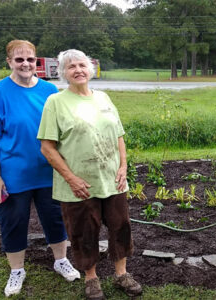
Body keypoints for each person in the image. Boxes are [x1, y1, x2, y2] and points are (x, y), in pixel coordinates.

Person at [37, 49, 142, 300]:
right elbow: (47, 147)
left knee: (121, 227)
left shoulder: (103, 98)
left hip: (112, 179)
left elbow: (118, 136)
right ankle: (92, 279)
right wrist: (71, 178)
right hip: (78, 184)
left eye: (82, 65)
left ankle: (121, 274)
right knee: (84, 231)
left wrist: (123, 166)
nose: (78, 70)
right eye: (71, 66)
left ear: (91, 68)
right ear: (63, 73)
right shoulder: (56, 102)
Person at [0, 40, 80, 297]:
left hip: (48, 172)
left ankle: (60, 260)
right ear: (9, 62)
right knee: (13, 222)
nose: (25, 64)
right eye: (19, 59)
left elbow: (62, 130)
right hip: (12, 176)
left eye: (30, 59)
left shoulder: (49, 90)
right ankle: (17, 271)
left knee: (55, 218)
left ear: (37, 62)